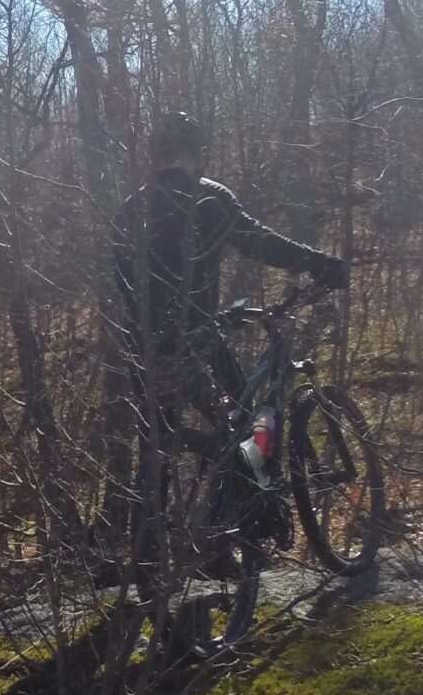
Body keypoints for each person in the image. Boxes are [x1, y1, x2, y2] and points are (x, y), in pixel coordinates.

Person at [114, 110, 348, 463]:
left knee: (158, 450)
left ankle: (157, 514)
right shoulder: (208, 196)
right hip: (196, 338)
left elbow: (124, 285)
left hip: (141, 348)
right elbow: (257, 241)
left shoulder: (129, 210)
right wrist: (319, 263)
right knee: (250, 423)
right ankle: (256, 504)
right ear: (199, 152)